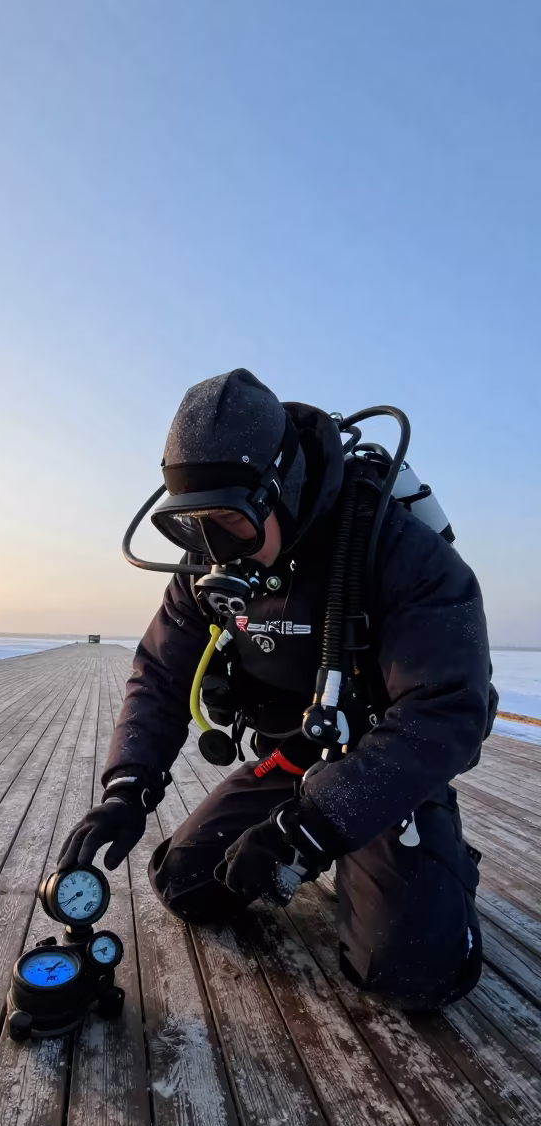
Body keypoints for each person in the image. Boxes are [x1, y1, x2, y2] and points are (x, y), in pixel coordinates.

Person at [59, 369, 496, 1010]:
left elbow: (451, 707)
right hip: (293, 755)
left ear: (281, 489)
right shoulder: (208, 567)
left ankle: (431, 854)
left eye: (229, 523)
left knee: (415, 972)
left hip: (383, 764)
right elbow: (158, 672)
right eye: (189, 525)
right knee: (186, 885)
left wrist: (313, 826)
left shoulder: (392, 548)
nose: (211, 548)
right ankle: (329, 844)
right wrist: (127, 788)